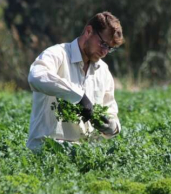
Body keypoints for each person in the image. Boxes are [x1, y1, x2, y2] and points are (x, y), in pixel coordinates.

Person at [26, 11, 125, 152]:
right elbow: (36, 77)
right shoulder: (57, 54)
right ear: (89, 31)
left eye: (109, 48)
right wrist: (78, 97)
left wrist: (110, 126)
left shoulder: (103, 71)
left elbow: (111, 111)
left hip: (85, 154)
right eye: (103, 44)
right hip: (47, 150)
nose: (104, 52)